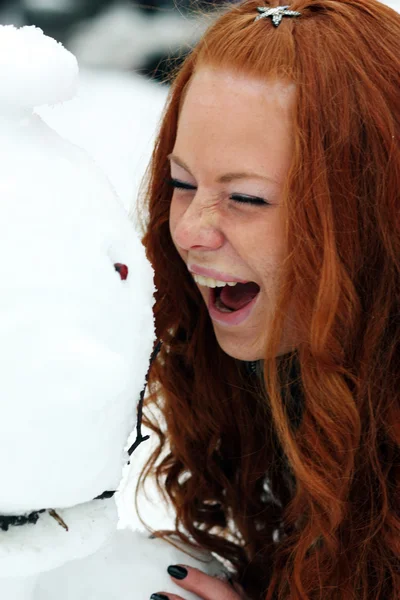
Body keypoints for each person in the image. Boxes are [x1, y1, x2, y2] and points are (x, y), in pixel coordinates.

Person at [137, 1, 400, 598]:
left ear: (372, 211)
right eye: (181, 184)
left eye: (248, 199)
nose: (190, 231)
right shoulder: (256, 377)